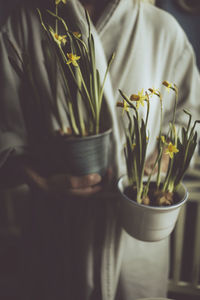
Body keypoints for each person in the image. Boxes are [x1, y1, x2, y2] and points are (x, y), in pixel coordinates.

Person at [0, 0, 200, 299]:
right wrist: (34, 176)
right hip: (55, 231)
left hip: (135, 236)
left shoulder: (162, 29)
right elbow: (6, 132)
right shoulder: (24, 25)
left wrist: (165, 156)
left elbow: (189, 114)